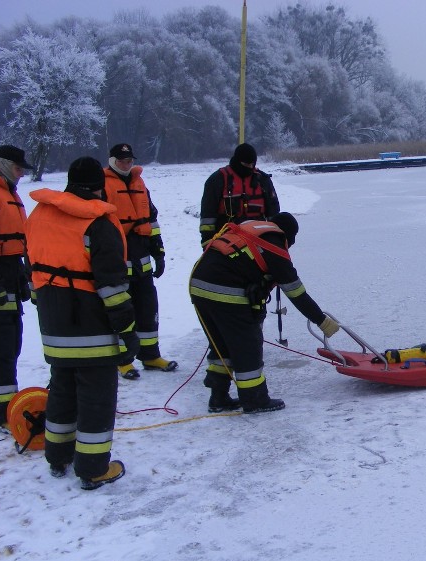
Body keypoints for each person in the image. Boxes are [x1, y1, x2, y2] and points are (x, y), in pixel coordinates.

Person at [25, 157, 137, 490]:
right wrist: (127, 330)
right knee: (96, 396)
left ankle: (57, 456)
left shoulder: (39, 215)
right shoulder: (98, 222)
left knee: (62, 386)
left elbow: (33, 265)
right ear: (99, 186)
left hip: (52, 321)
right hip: (91, 325)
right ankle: (92, 468)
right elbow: (112, 287)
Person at [189, 213, 339, 413]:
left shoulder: (250, 227)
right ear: (288, 235)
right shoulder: (273, 244)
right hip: (225, 292)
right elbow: (295, 292)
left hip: (198, 285)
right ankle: (255, 399)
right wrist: (321, 321)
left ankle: (218, 397)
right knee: (247, 346)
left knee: (222, 344)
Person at [103, 143, 177, 380]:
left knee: (147, 309)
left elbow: (151, 221)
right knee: (123, 312)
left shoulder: (140, 185)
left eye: (129, 160)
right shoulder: (102, 185)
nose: (127, 165)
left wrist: (159, 252)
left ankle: (150, 355)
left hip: (141, 261)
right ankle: (123, 360)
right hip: (116, 262)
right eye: (122, 161)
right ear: (112, 161)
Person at [0, 145, 33, 430]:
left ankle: (8, 404)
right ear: (2, 165)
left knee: (12, 343)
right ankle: (3, 412)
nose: (21, 175)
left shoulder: (8, 193)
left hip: (9, 277)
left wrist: (24, 278)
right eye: (18, 169)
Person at [199, 142, 280, 247]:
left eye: (252, 164)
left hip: (257, 241)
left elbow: (273, 214)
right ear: (237, 161)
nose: (250, 167)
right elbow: (207, 218)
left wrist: (275, 241)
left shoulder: (263, 181)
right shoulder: (217, 180)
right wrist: (207, 243)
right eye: (246, 165)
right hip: (226, 242)